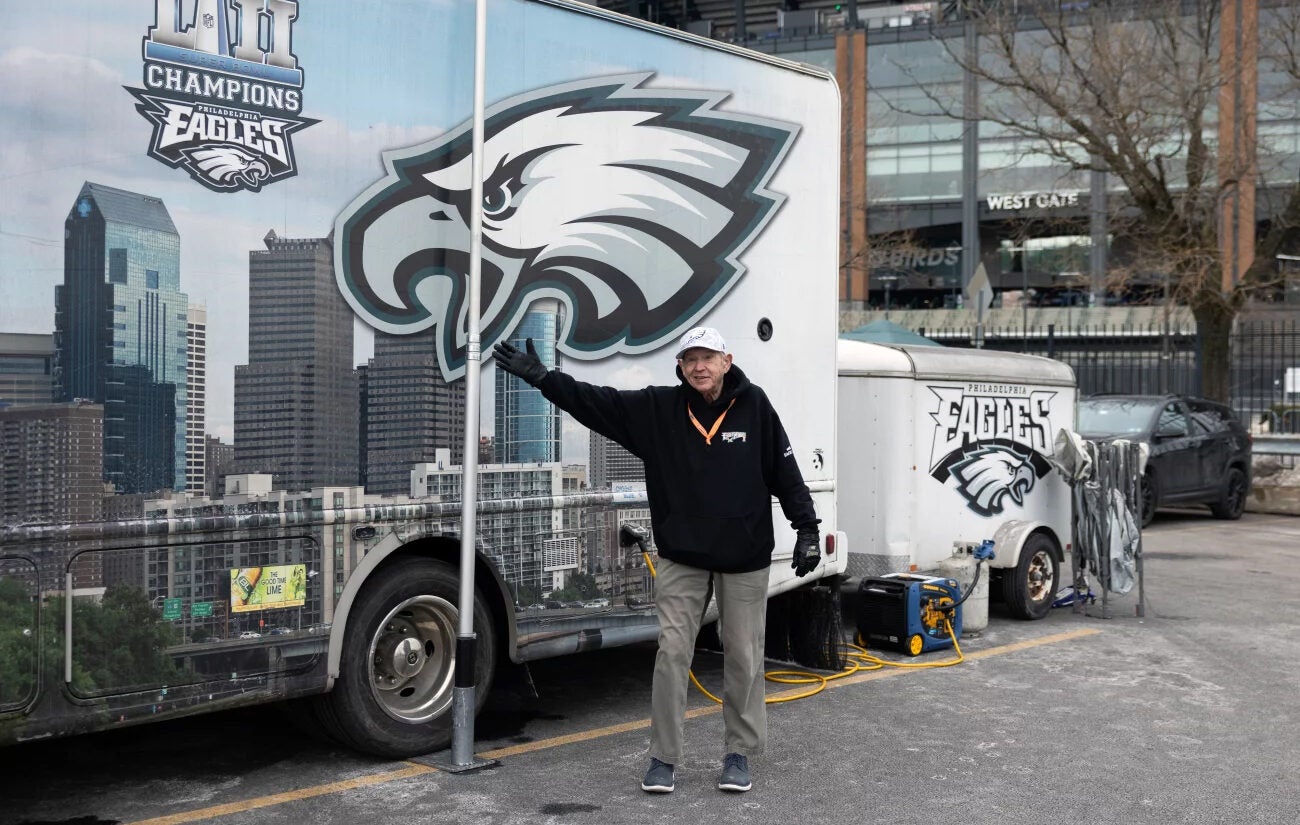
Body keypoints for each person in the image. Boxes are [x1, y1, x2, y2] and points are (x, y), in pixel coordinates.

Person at [493, 326, 821, 794]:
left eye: (708, 357)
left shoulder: (756, 406)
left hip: (744, 557)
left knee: (744, 656)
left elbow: (785, 472)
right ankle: (664, 758)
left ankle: (739, 754)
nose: (699, 366)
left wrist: (806, 528)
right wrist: (545, 379)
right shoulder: (658, 409)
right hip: (682, 556)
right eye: (690, 359)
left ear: (727, 362)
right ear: (680, 368)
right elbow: (596, 401)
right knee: (671, 654)